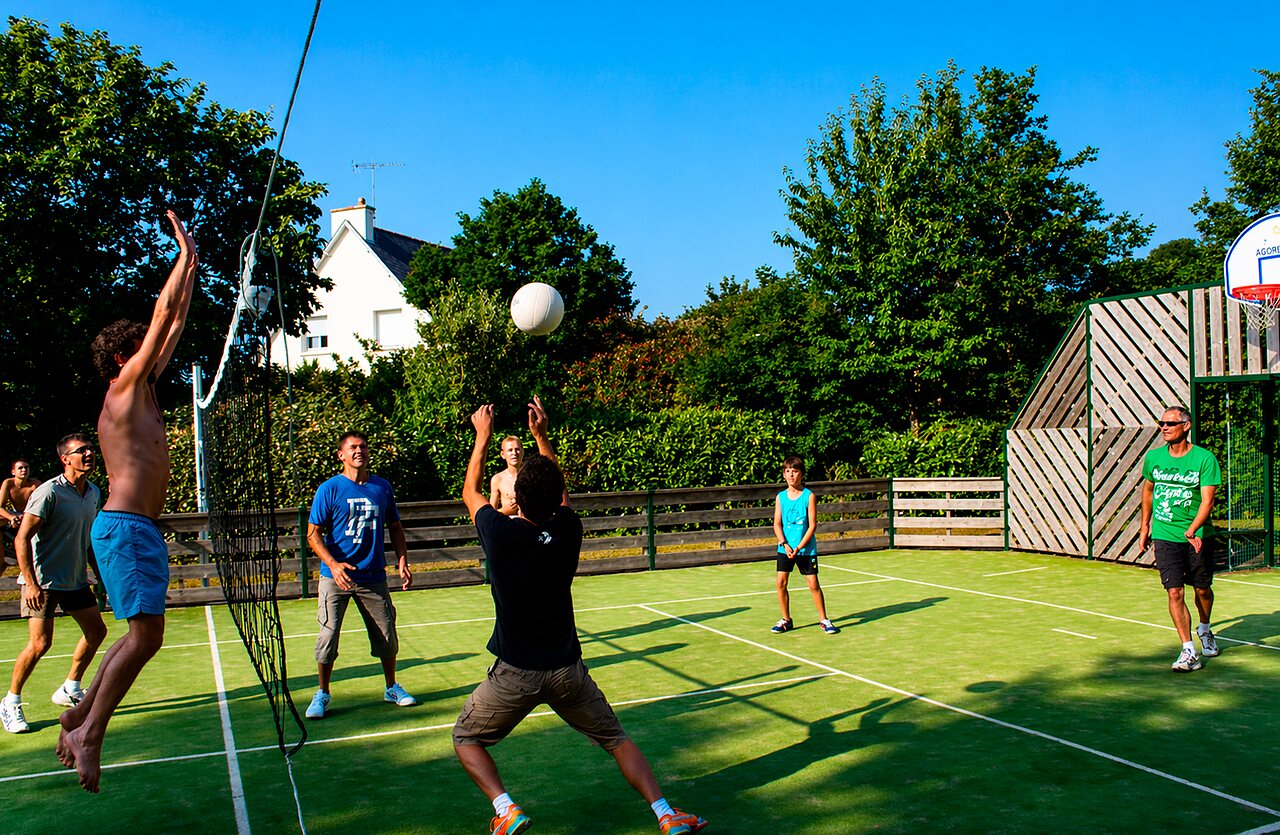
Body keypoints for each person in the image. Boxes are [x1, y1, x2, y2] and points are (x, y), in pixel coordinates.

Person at [453, 396, 707, 835]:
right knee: (616, 740)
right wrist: (540, 435)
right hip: (568, 671)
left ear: (517, 498)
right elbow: (562, 494)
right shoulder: (568, 529)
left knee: (465, 739)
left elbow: (470, 493)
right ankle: (666, 814)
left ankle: (506, 808)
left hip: (514, 673)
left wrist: (482, 437)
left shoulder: (500, 533)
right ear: (555, 500)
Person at [56, 210, 197, 793]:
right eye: (142, 348)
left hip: (131, 528)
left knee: (141, 635)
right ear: (123, 358)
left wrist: (192, 266)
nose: (154, 350)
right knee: (144, 637)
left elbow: (176, 321)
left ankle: (78, 720)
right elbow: (163, 315)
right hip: (125, 526)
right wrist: (181, 251)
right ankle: (91, 737)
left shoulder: (142, 392)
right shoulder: (123, 389)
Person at [303, 430, 416, 720]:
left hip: (372, 577)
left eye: (363, 446)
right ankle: (323, 693)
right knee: (328, 636)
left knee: (387, 635)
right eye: (352, 447)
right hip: (335, 577)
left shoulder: (382, 487)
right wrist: (335, 564)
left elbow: (395, 527)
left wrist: (402, 559)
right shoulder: (329, 489)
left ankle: (391, 687)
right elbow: (313, 536)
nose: (359, 451)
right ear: (341, 455)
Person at [1, 435, 107, 734]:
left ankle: (70, 687)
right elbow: (22, 538)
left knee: (97, 631)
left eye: (90, 449)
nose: (89, 454)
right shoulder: (49, 492)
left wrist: (98, 576)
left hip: (74, 580)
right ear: (65, 459)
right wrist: (31, 584)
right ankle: (10, 702)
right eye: (81, 451)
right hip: (43, 581)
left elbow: (88, 540)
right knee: (40, 644)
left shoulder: (93, 493)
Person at [1139, 405, 1222, 672]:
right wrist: (1144, 528)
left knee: (1202, 589)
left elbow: (1208, 501)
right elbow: (1148, 491)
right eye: (1161, 423)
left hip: (1197, 536)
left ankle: (1205, 628)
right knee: (1174, 590)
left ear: (1186, 426)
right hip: (1164, 534)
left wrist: (1193, 529)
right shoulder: (1154, 458)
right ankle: (1188, 650)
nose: (1164, 427)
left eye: (1170, 423)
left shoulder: (1204, 459)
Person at [770, 455, 838, 635]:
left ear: (801, 474)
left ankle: (824, 620)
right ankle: (786, 620)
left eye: (795, 471)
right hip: (785, 549)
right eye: (788, 471)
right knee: (780, 583)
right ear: (784, 474)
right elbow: (777, 524)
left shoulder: (809, 496)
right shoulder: (780, 497)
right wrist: (785, 544)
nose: (791, 475)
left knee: (813, 583)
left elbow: (813, 525)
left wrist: (799, 547)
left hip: (806, 549)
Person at [1, 459, 39, 570]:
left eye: (26, 467)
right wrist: (11, 517)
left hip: (30, 515)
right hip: (14, 515)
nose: (24, 470)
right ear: (13, 472)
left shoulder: (35, 485)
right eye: (20, 468)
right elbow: (0, 506)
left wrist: (24, 517)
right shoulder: (8, 483)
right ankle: (4, 553)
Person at [488, 436, 524, 516]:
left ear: (522, 452)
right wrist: (507, 510)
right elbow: (491, 513)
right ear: (503, 454)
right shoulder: (497, 479)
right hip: (508, 524)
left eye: (517, 449)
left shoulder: (532, 475)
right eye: (510, 450)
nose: (514, 453)